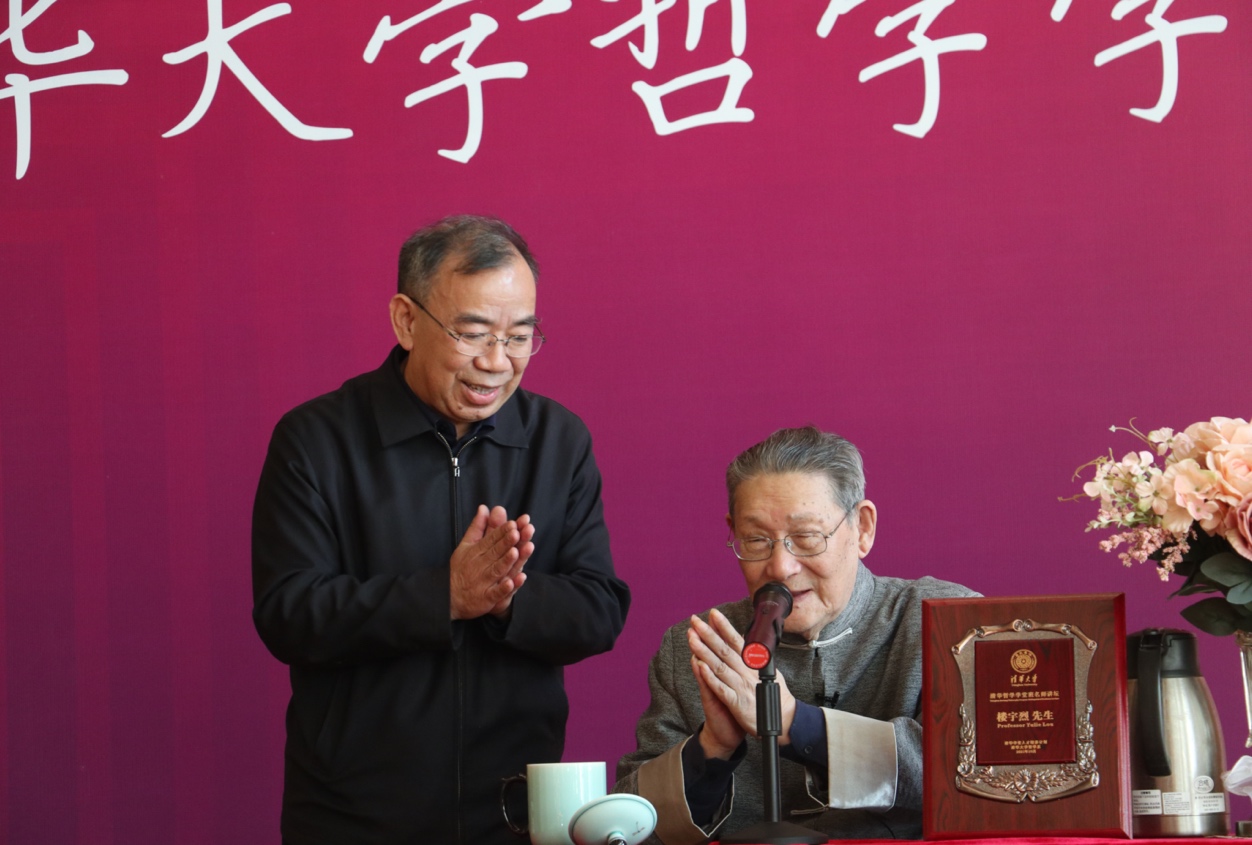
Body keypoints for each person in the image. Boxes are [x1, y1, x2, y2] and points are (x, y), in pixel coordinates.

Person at [252, 215, 631, 845]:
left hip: (517, 813)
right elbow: (288, 614)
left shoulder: (558, 440)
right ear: (406, 320)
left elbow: (598, 610)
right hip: (354, 814)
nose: (496, 362)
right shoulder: (317, 440)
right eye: (473, 334)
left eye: (519, 336)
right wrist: (445, 596)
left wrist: (507, 598)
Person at [615, 426, 977, 843]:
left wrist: (796, 725)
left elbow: (988, 773)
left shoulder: (946, 624)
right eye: (756, 540)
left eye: (806, 538)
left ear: (862, 528)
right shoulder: (696, 646)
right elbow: (629, 826)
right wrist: (711, 749)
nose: (780, 567)